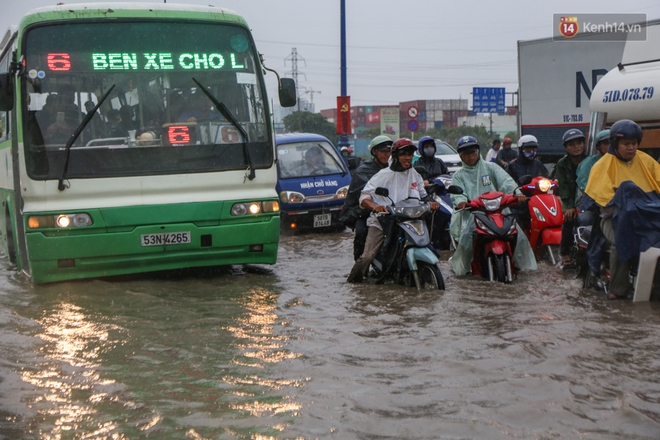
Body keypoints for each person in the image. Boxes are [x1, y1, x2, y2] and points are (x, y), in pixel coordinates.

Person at [585, 120, 660, 299]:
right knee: (620, 243)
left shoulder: (646, 161)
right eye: (626, 144)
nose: (631, 148)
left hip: (645, 217)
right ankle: (617, 291)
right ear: (615, 144)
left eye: (634, 144)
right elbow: (604, 202)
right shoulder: (602, 166)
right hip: (613, 219)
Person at [347, 138, 439, 283]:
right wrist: (375, 207)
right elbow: (364, 198)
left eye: (410, 154)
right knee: (367, 256)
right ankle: (354, 282)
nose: (408, 158)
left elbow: (423, 194)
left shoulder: (414, 174)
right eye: (404, 154)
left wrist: (431, 202)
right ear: (395, 156)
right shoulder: (382, 175)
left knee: (430, 245)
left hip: (409, 219)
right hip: (383, 220)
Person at [449, 135, 537, 276]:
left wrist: (517, 193)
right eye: (465, 154)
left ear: (478, 152)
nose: (470, 156)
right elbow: (456, 192)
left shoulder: (491, 168)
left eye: (472, 152)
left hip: (498, 213)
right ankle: (463, 270)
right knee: (466, 242)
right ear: (461, 156)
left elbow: (506, 182)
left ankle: (524, 268)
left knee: (519, 236)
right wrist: (461, 201)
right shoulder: (458, 176)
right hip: (473, 215)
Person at [340, 135, 393, 261]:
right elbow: (361, 194)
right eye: (383, 151)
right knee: (362, 231)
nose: (387, 155)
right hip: (364, 212)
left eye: (389, 151)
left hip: (390, 209)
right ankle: (360, 262)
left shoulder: (394, 168)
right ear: (374, 152)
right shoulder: (363, 170)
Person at [554, 128, 586, 268]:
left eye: (579, 143)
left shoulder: (590, 160)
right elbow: (564, 188)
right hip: (571, 200)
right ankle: (565, 252)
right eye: (571, 144)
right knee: (568, 219)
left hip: (589, 199)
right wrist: (569, 207)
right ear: (566, 147)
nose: (576, 147)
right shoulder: (562, 164)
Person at [505, 134, 549, 230]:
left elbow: (547, 177)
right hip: (519, 205)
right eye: (528, 149)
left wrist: (554, 180)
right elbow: (505, 183)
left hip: (538, 202)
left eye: (534, 149)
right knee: (516, 228)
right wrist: (516, 189)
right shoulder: (512, 166)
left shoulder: (538, 164)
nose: (531, 152)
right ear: (521, 149)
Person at [576, 129, 610, 194]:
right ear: (598, 146)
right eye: (606, 143)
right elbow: (583, 185)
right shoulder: (588, 163)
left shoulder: (619, 161)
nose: (610, 146)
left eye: (613, 143)